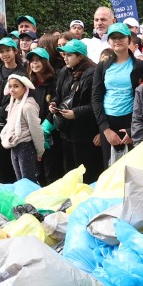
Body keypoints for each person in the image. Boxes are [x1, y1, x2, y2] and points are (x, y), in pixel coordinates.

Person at [92, 23, 143, 167]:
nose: (117, 40)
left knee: (134, 168)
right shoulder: (102, 66)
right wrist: (105, 129)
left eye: (121, 37)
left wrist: (133, 131)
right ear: (109, 41)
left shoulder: (141, 66)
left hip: (132, 119)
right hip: (108, 121)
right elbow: (96, 97)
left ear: (129, 40)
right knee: (111, 168)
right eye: (113, 37)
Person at [51, 41, 101, 183]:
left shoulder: (92, 73)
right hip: (66, 132)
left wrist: (76, 113)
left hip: (85, 134)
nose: (65, 58)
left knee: (87, 175)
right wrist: (54, 103)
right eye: (64, 54)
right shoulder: (63, 72)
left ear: (80, 57)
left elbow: (96, 104)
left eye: (70, 55)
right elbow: (59, 96)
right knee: (70, 174)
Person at [0, 75, 45, 182]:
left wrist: (40, 151)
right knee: (20, 180)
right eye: (10, 86)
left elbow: (36, 130)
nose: (12, 89)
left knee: (28, 181)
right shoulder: (14, 104)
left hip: (26, 147)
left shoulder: (28, 106)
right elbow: (10, 124)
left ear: (24, 89)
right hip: (14, 147)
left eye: (16, 86)